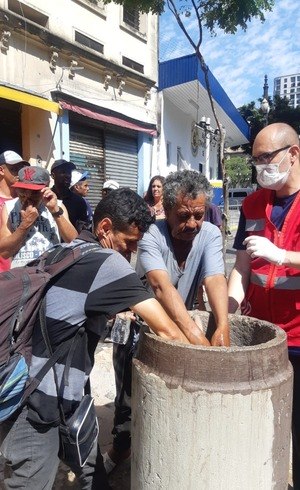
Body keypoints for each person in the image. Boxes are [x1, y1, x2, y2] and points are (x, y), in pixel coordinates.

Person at [0, 188, 189, 490]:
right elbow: (167, 329)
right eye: (129, 243)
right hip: (36, 404)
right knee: (31, 482)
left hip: (64, 398)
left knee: (92, 474)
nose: (130, 254)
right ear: (105, 228)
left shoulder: (62, 251)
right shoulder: (107, 263)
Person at [105, 169, 230, 471]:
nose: (192, 224)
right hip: (141, 327)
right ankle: (119, 453)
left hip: (181, 325)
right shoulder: (150, 233)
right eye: (183, 216)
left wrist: (223, 324)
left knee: (177, 400)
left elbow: (214, 277)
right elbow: (161, 286)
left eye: (198, 215)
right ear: (167, 209)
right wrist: (197, 338)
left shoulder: (210, 233)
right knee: (128, 400)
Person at [227, 122, 300, 490]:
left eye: (266, 158)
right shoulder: (254, 203)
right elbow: (242, 266)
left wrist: (284, 255)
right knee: (259, 422)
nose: (259, 168)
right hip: (261, 335)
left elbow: (280, 258)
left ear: (293, 153)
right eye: (255, 160)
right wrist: (227, 310)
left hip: (299, 338)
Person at [0, 166, 77, 268]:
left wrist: (55, 211)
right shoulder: (9, 207)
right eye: (23, 190)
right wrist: (25, 225)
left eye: (34, 192)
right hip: (20, 276)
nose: (27, 195)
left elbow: (74, 242)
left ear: (46, 187)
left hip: (50, 273)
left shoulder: (57, 205)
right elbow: (4, 252)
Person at [0, 150, 30, 271]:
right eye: (14, 169)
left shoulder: (25, 200)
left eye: (21, 169)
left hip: (25, 271)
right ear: (1, 170)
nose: (19, 173)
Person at [51, 159, 88, 232]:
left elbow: (83, 229)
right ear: (53, 175)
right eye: (63, 172)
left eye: (69, 172)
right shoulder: (46, 198)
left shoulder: (79, 201)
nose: (67, 175)